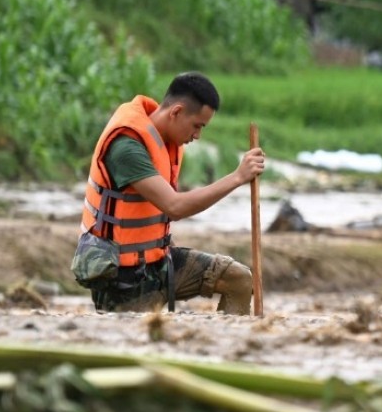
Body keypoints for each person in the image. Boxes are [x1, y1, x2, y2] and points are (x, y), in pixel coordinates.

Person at [71, 72, 264, 314]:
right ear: (176, 112)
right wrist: (237, 177)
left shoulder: (167, 142)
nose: (197, 135)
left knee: (238, 279)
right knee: (141, 343)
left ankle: (227, 346)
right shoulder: (127, 147)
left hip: (159, 262)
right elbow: (175, 206)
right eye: (197, 126)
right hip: (122, 278)